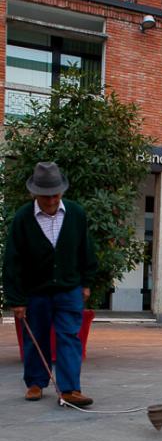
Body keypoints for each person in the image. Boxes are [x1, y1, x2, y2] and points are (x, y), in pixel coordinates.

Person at [2, 161, 97, 407]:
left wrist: (86, 282)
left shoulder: (76, 213)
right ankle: (35, 382)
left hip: (69, 289)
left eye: (55, 195)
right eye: (45, 197)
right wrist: (17, 300)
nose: (51, 201)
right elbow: (12, 261)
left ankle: (70, 389)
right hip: (36, 292)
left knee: (69, 336)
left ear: (62, 191)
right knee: (36, 338)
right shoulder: (23, 218)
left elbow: (86, 250)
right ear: (35, 194)